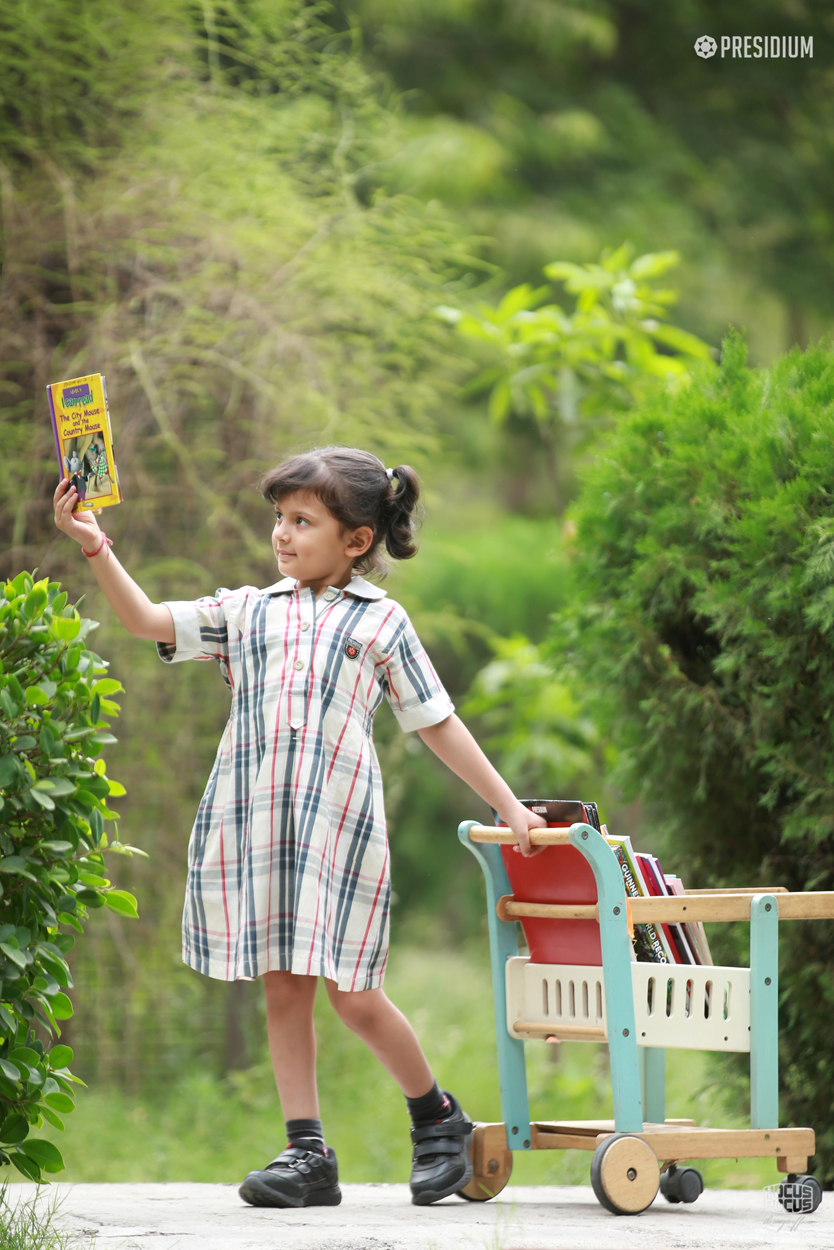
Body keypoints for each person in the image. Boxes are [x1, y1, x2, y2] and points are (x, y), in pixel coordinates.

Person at [52, 445, 545, 1210]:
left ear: (356, 540)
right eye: (279, 518)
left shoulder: (381, 622)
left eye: (303, 521)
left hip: (338, 832)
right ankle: (306, 1152)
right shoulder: (249, 610)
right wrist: (94, 543)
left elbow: (436, 722)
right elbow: (146, 618)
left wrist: (507, 805)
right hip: (257, 827)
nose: (283, 534)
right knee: (283, 987)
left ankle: (438, 1117)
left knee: (353, 995)